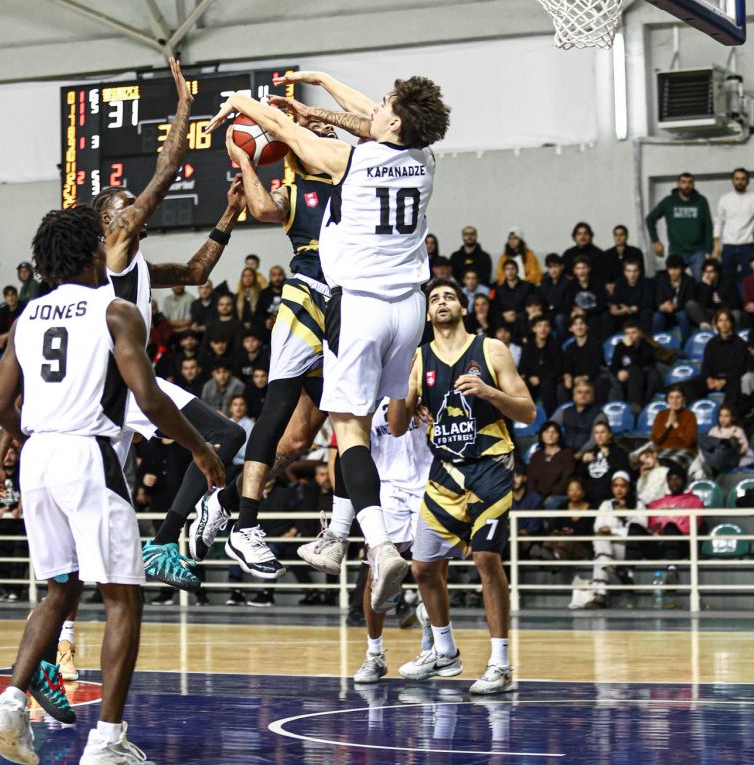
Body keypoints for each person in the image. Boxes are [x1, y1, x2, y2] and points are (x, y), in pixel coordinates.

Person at [0, 195, 224, 765]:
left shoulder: (27, 316)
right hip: (85, 455)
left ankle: (10, 704)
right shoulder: (115, 311)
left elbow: (0, 405)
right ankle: (107, 742)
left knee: (59, 591)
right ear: (92, 253)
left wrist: (26, 437)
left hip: (36, 456)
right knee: (122, 596)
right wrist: (199, 446)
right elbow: (150, 398)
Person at [206, 68, 450, 608]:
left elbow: (284, 131)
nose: (375, 107)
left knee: (350, 432)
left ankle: (378, 546)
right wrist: (322, 83)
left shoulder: (350, 160)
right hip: (409, 310)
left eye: (385, 103)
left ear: (395, 121)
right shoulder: (425, 160)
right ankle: (336, 536)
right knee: (368, 424)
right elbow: (369, 118)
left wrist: (243, 100)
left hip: (360, 307)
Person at [90, 164, 246, 591]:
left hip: (131, 381)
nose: (137, 207)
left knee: (226, 435)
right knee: (224, 434)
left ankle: (161, 544)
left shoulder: (136, 264)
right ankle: (162, 544)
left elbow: (196, 274)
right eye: (127, 204)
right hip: (115, 385)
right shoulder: (111, 256)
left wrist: (230, 213)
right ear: (107, 221)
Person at [390, 279, 535, 694]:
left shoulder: (492, 350)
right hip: (446, 471)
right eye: (434, 298)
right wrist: (403, 388)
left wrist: (489, 392)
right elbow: (397, 427)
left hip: (491, 466)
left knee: (486, 558)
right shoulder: (418, 358)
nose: (441, 302)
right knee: (422, 568)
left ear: (463, 308)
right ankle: (445, 651)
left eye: (449, 297)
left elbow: (528, 411)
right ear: (427, 313)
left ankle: (501, 664)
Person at [352, 397, 432, 684]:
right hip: (386, 487)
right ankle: (374, 653)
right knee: (377, 573)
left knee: (431, 570)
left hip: (429, 483)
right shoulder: (369, 391)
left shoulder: (429, 382)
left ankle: (431, 642)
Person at [586, 471, 647, 609]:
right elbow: (597, 527)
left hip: (627, 549)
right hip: (606, 547)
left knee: (601, 555)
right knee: (600, 541)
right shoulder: (606, 505)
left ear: (628, 487)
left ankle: (600, 593)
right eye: (616, 486)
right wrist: (606, 531)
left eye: (622, 486)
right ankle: (602, 590)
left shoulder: (638, 505)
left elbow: (639, 530)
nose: (619, 489)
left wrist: (612, 531)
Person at [645, 465, 703, 606]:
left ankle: (672, 570)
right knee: (635, 529)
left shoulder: (694, 502)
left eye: (677, 479)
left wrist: (667, 527)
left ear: (684, 481)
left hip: (683, 544)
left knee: (670, 527)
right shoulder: (655, 504)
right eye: (671, 479)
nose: (674, 482)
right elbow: (651, 527)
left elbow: (693, 526)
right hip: (659, 543)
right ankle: (626, 573)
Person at [713, 167, 754, 307]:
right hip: (729, 246)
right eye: (737, 179)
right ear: (732, 180)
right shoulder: (725, 199)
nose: (740, 182)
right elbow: (719, 222)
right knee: (726, 281)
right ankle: (727, 310)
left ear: (748, 181)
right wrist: (716, 245)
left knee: (751, 280)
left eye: (743, 179)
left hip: (747, 246)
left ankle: (751, 309)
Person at [646, 172, 713, 278]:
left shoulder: (701, 201)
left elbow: (708, 226)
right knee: (674, 282)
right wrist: (655, 241)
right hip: (676, 250)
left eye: (690, 182)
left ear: (694, 184)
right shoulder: (669, 201)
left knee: (701, 282)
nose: (687, 185)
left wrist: (709, 250)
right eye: (683, 182)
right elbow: (650, 219)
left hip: (698, 251)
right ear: (678, 184)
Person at [577, 420, 631, 504]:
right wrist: (583, 462)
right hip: (589, 500)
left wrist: (609, 457)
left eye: (602, 432)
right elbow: (580, 477)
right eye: (596, 433)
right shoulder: (590, 452)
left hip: (609, 499)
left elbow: (622, 475)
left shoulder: (619, 452)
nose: (599, 436)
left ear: (610, 434)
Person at [651, 386, 699, 478]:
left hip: (685, 450)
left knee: (670, 464)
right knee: (653, 462)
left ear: (683, 399)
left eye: (678, 397)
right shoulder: (661, 414)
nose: (674, 401)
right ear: (667, 400)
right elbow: (656, 439)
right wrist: (668, 424)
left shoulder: (690, 415)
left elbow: (689, 441)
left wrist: (676, 424)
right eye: (671, 397)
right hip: (663, 450)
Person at [526, 421, 575, 510]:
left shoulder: (566, 455)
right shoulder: (536, 456)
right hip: (538, 496)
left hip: (558, 495)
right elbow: (531, 480)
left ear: (559, 435)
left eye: (554, 432)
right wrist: (535, 496)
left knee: (550, 502)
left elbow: (566, 479)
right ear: (542, 435)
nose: (550, 435)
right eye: (547, 432)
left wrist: (548, 495)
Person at [605, 258, 655, 337]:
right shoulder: (620, 282)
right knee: (607, 315)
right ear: (625, 272)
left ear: (639, 272)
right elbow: (615, 299)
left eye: (635, 271)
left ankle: (646, 340)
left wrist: (630, 309)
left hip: (638, 312)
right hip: (623, 313)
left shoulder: (646, 283)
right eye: (629, 271)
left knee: (646, 313)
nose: (632, 274)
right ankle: (608, 341)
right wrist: (615, 307)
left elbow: (648, 302)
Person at [700, 405, 754, 473]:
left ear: (732, 418)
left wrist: (734, 447)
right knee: (700, 439)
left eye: (726, 416)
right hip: (716, 454)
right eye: (721, 416)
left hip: (730, 457)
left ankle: (724, 445)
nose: (723, 419)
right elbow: (708, 446)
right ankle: (724, 442)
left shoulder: (737, 430)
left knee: (727, 446)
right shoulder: (714, 430)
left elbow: (744, 448)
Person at [653, 255, 695, 337]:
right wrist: (662, 306)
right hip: (666, 311)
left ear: (681, 269)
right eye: (671, 269)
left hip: (681, 310)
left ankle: (686, 342)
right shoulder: (662, 280)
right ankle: (655, 341)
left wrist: (675, 306)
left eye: (676, 269)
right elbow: (658, 299)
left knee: (682, 315)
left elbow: (689, 302)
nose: (673, 272)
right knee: (657, 316)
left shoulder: (689, 281)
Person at [600, 224, 644, 289]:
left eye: (621, 235)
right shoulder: (607, 254)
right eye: (616, 235)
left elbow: (640, 272)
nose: (618, 238)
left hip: (632, 286)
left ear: (626, 236)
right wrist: (609, 284)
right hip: (613, 287)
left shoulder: (635, 252)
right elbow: (604, 274)